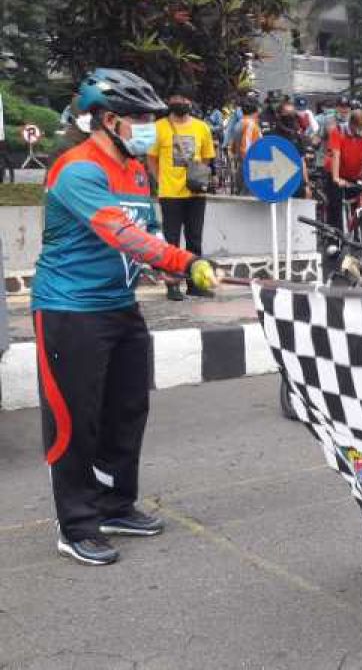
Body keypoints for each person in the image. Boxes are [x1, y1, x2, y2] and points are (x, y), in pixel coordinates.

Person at [34, 68, 217, 565]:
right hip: (70, 311)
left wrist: (165, 271)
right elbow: (120, 232)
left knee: (127, 409)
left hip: (120, 308)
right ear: (108, 119)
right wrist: (185, 261)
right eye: (140, 118)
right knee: (75, 419)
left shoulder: (136, 171)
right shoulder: (78, 169)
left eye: (151, 119)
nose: (149, 127)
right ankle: (75, 525)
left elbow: (145, 231)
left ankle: (115, 504)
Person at [148, 86, 217, 301]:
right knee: (171, 242)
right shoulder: (158, 127)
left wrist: (197, 178)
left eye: (185, 97)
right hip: (170, 194)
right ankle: (173, 286)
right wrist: (161, 180)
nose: (181, 100)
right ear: (169, 100)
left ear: (190, 101)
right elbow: (151, 158)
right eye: (176, 96)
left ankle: (196, 284)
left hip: (195, 194)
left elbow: (207, 157)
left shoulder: (202, 127)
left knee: (194, 240)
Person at [265, 100, 312, 199]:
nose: (290, 117)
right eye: (287, 114)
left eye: (292, 114)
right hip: (277, 183)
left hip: (296, 183)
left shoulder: (296, 136)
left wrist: (306, 185)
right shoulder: (270, 136)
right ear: (279, 115)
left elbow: (301, 160)